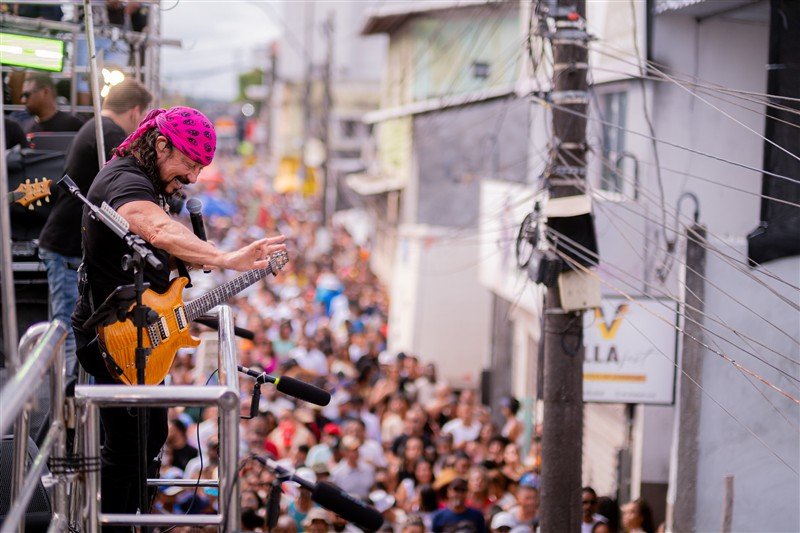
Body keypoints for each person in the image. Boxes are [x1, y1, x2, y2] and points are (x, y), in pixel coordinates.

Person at [71, 105, 287, 530]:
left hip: (141, 329)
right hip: (115, 336)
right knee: (126, 448)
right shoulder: (125, 181)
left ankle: (133, 518)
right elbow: (158, 229)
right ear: (161, 144)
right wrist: (226, 258)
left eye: (200, 168)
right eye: (190, 164)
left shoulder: (148, 179)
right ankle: (114, 524)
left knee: (150, 438)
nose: (193, 177)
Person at [38, 78, 151, 377]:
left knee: (70, 330)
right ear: (135, 111)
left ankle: (69, 395)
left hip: (65, 243)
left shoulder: (95, 127)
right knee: (67, 332)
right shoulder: (109, 133)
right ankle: (65, 398)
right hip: (66, 247)